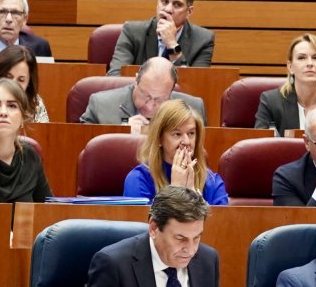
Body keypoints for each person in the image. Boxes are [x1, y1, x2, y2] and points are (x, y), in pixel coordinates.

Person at [89, 185, 220, 287]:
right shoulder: (114, 265)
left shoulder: (207, 259)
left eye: (196, 238)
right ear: (153, 228)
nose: (191, 251)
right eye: (180, 238)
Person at [123, 99, 228, 205]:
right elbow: (147, 221)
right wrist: (176, 191)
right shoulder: (139, 180)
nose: (186, 141)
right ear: (159, 138)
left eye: (191, 133)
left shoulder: (212, 181)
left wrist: (194, 197)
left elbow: (222, 221)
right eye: (177, 134)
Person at [107, 0, 215, 75]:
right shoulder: (132, 31)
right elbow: (115, 77)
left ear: (189, 12)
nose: (168, 9)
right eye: (164, 2)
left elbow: (197, 84)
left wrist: (172, 45)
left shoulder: (203, 40)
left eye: (177, 4)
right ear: (157, 3)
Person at [255, 33, 316, 135]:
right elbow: (260, 146)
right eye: (301, 58)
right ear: (290, 67)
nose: (310, 63)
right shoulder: (271, 102)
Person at [80, 57, 206, 132]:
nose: (150, 106)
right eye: (145, 95)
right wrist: (122, 133)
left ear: (171, 92)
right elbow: (83, 150)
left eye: (159, 99)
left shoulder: (193, 108)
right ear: (136, 80)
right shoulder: (100, 105)